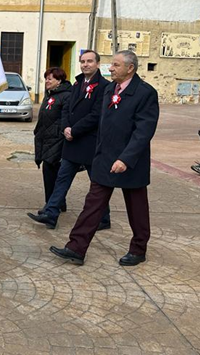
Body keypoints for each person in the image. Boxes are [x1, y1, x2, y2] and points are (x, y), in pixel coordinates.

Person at [50, 51, 159, 267]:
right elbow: (103, 124)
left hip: (130, 162)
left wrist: (125, 159)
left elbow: (143, 132)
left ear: (130, 68)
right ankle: (76, 248)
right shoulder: (110, 89)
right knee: (92, 205)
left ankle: (138, 249)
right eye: (112, 65)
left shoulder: (145, 93)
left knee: (137, 209)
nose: (110, 68)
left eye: (116, 65)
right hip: (104, 158)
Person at [28, 50, 110, 230]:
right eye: (82, 61)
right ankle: (51, 213)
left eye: (89, 61)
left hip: (89, 142)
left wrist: (75, 129)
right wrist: (66, 127)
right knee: (62, 179)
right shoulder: (78, 83)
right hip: (72, 142)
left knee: (97, 182)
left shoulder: (105, 86)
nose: (85, 64)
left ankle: (104, 218)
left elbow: (97, 114)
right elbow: (67, 110)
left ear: (97, 63)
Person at [33, 67, 72, 208]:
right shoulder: (49, 94)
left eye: (50, 79)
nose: (47, 81)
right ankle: (58, 204)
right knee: (49, 175)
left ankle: (51, 206)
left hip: (57, 141)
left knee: (53, 175)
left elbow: (66, 118)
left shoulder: (67, 95)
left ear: (59, 80)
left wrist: (59, 133)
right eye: (46, 78)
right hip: (46, 139)